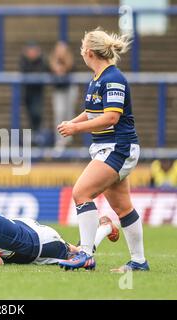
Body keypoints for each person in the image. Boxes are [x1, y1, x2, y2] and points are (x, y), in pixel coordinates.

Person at [56, 28, 149, 272]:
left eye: (81, 49)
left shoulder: (113, 78)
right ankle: (138, 261)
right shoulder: (98, 78)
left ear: (88, 52)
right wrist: (74, 123)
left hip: (118, 147)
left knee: (81, 192)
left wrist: (76, 130)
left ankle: (86, 253)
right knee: (122, 207)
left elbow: (110, 118)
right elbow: (93, 112)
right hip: (108, 147)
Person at [0, 189, 119, 266]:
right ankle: (103, 227)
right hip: (31, 229)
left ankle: (105, 228)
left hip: (40, 245)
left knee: (83, 259)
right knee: (78, 252)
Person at [49, 41, 78, 148]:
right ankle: (59, 140)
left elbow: (73, 69)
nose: (60, 52)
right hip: (58, 90)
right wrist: (56, 69)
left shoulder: (69, 59)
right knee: (59, 112)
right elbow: (48, 71)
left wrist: (64, 69)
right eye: (58, 49)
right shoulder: (52, 60)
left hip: (70, 89)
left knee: (69, 113)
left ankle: (69, 138)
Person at [19, 41, 49, 141]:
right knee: (30, 113)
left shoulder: (41, 60)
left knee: (37, 113)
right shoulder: (24, 60)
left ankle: (38, 134)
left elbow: (43, 70)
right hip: (27, 92)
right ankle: (34, 134)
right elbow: (23, 70)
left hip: (37, 92)